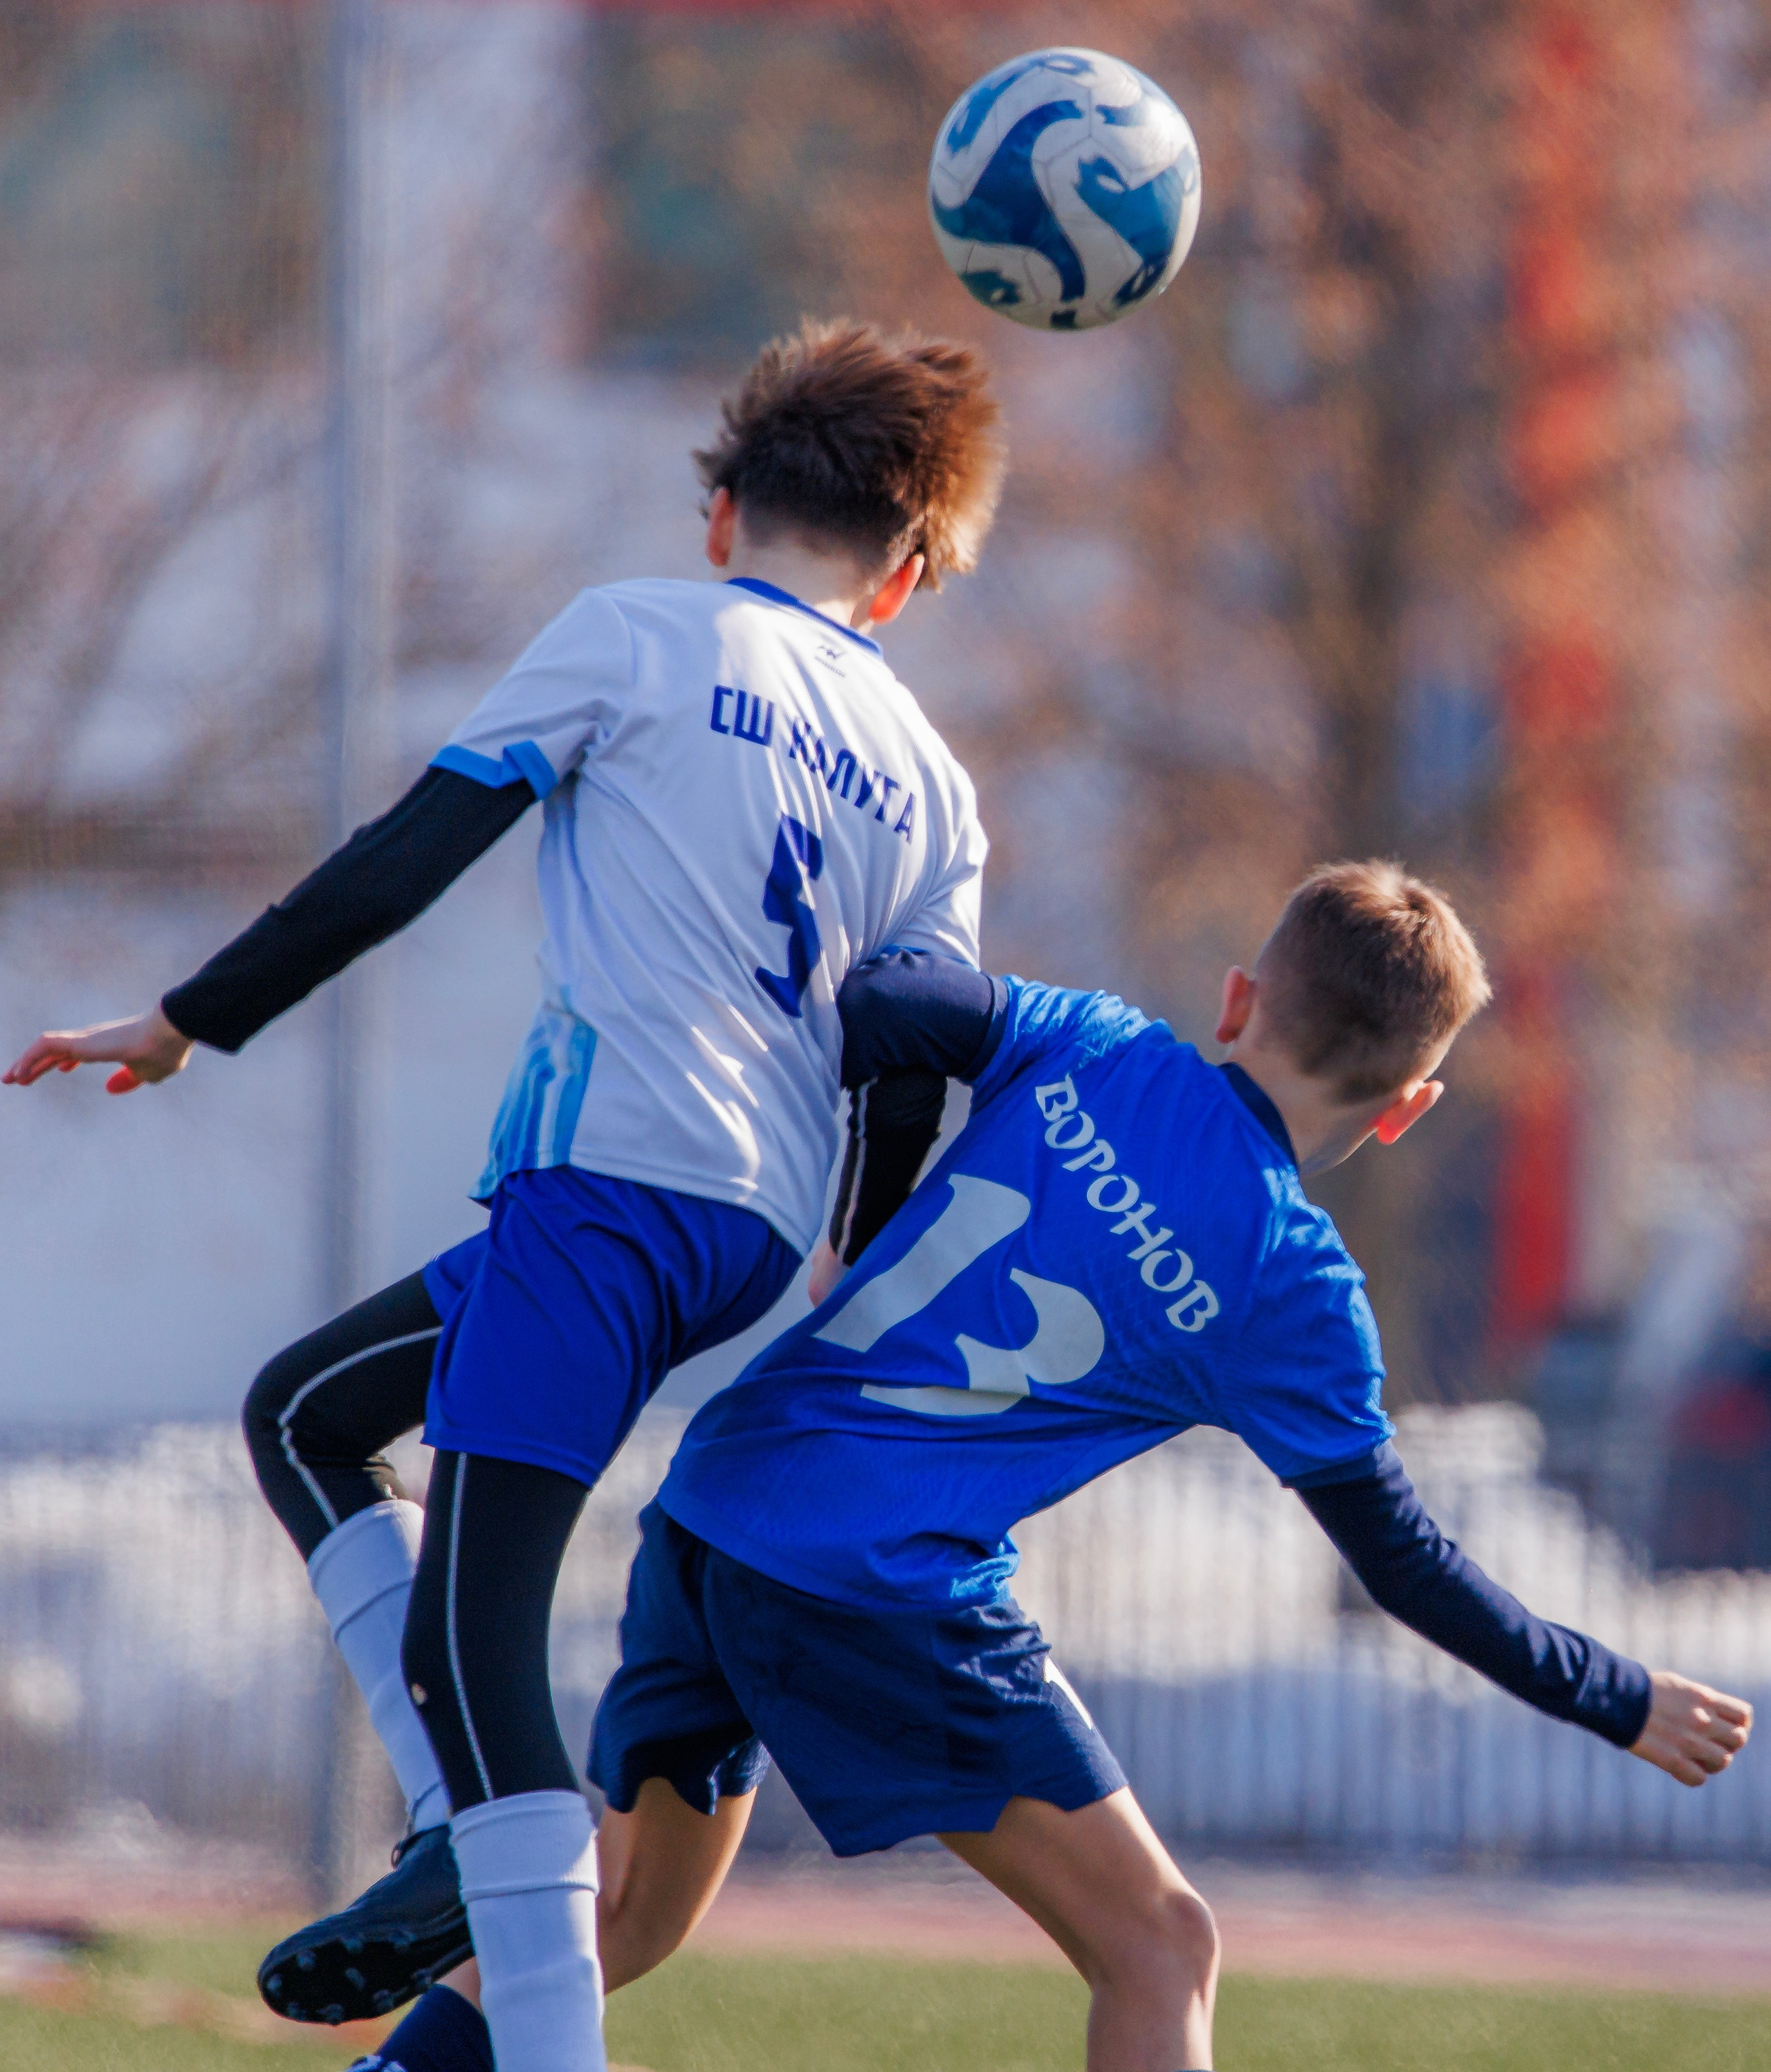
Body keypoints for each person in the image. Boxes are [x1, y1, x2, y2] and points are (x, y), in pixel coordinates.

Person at [3, 318, 1003, 2072]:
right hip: (748, 1231)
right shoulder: (929, 775)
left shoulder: (637, 628)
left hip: (606, 1191)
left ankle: (480, 1885)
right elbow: (915, 1048)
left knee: (482, 1675)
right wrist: (855, 1251)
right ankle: (452, 1842)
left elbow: (408, 850)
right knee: (307, 1410)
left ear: (720, 512)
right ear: (909, 573)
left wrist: (183, 1022)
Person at [360, 861, 1750, 2072]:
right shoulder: (1291, 1285)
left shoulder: (1095, 1044)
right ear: (1406, 1107)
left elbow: (891, 1003)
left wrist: (866, 1201)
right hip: (876, 1584)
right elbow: (1402, 1562)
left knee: (618, 1920)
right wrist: (1611, 1693)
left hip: (714, 1511)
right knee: (1159, 1945)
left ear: (1234, 998)